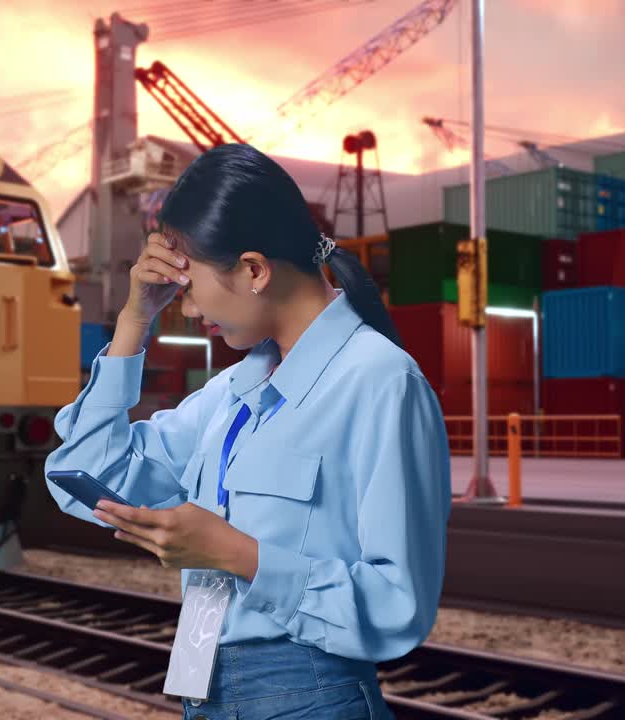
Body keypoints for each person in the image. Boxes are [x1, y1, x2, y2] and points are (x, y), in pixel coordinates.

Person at [44, 142, 451, 720]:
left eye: (189, 285)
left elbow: (397, 604)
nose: (187, 308)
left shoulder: (381, 382)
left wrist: (236, 554)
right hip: (204, 685)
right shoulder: (233, 392)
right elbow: (84, 476)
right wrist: (134, 321)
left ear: (254, 270)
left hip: (308, 696)